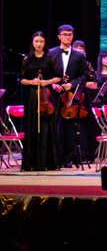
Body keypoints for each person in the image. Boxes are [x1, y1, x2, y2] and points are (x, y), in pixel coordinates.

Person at [19, 31, 62, 171]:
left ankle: (48, 162)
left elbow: (58, 77)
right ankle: (31, 162)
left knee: (46, 127)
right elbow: (22, 79)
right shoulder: (27, 59)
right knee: (32, 126)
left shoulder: (50, 58)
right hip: (32, 97)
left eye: (41, 41)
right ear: (32, 42)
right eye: (36, 41)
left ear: (45, 43)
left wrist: (47, 81)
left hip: (46, 96)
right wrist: (32, 82)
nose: (39, 44)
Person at [48, 24, 89, 167]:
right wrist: (52, 84)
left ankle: (67, 158)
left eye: (70, 35)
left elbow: (84, 75)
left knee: (69, 127)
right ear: (59, 36)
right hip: (53, 94)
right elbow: (46, 73)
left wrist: (71, 84)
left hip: (70, 95)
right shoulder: (51, 53)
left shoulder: (79, 55)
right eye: (65, 34)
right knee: (52, 125)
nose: (67, 37)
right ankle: (52, 157)